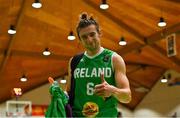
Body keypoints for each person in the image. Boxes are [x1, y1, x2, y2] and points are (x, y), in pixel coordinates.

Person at [66, 12, 131, 117]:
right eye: (84, 37)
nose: (89, 40)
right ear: (80, 40)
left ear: (99, 33)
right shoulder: (74, 61)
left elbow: (127, 96)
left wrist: (112, 90)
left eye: (92, 34)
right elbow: (68, 92)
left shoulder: (114, 59)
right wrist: (58, 96)